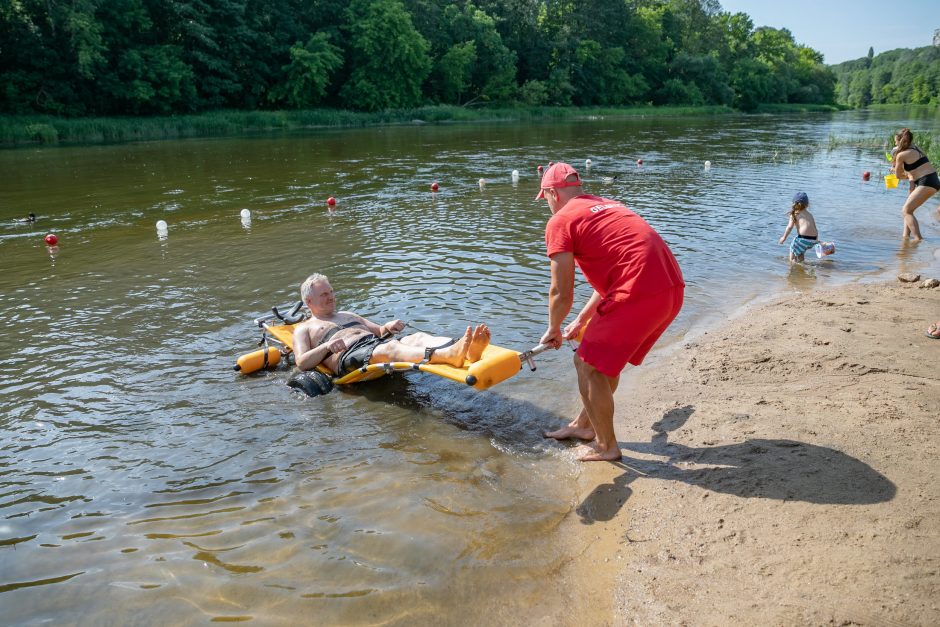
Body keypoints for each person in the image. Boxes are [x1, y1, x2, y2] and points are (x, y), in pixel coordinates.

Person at [536, 163, 685, 462]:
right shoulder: (605, 205)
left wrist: (554, 328)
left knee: (586, 364)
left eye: (546, 199)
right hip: (670, 288)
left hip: (639, 293)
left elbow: (561, 292)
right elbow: (619, 270)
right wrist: (581, 319)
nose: (548, 206)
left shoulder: (560, 221)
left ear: (552, 193)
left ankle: (606, 446)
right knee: (603, 366)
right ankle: (583, 425)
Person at [292, 273, 491, 377]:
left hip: (373, 344)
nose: (331, 297)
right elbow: (301, 363)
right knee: (391, 347)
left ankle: (464, 350)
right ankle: (449, 355)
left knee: (417, 337)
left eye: (332, 292)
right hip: (349, 357)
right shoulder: (305, 328)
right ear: (309, 301)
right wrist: (326, 346)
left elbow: (379, 331)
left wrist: (388, 326)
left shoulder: (347, 314)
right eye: (324, 294)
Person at [892, 128, 939, 241]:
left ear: (899, 141)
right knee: (908, 210)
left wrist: (896, 170)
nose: (895, 143)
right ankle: (905, 238)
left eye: (895, 141)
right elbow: (917, 167)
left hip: (926, 182)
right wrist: (909, 176)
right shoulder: (916, 148)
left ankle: (918, 239)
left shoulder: (901, 155)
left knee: (906, 211)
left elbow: (898, 176)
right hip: (934, 180)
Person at [778, 191, 819, 263]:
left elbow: (789, 227)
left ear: (794, 203)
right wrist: (816, 240)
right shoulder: (810, 214)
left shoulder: (795, 214)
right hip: (813, 240)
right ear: (807, 204)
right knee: (800, 251)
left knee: (793, 249)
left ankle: (792, 265)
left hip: (803, 239)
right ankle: (801, 265)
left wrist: (783, 238)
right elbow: (815, 227)